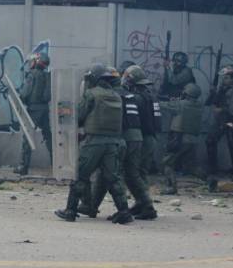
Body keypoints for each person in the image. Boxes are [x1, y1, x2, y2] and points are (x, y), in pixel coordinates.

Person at [54, 64, 133, 224]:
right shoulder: (116, 96)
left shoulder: (91, 94)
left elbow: (80, 116)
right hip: (113, 143)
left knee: (80, 175)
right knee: (113, 178)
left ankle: (70, 210)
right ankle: (124, 211)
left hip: (94, 142)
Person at [80, 66, 157, 220]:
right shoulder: (133, 95)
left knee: (109, 173)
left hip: (122, 137)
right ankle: (144, 205)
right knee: (129, 174)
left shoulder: (112, 94)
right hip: (138, 137)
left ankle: (97, 207)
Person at [159, 83, 204, 195]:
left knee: (167, 162)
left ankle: (171, 187)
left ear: (187, 94)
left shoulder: (180, 104)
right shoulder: (199, 105)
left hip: (179, 138)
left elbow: (163, 105)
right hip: (192, 140)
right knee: (191, 166)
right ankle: (210, 180)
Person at [15, 52, 52, 175]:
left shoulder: (32, 75)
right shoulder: (47, 76)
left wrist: (19, 96)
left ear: (37, 61)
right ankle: (55, 164)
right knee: (49, 137)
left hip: (33, 110)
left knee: (27, 138)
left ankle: (23, 167)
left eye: (33, 61)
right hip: (44, 110)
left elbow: (25, 93)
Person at [128, 65, 162, 192]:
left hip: (141, 138)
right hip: (152, 138)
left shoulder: (136, 98)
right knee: (143, 170)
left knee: (134, 170)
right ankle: (144, 195)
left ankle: (142, 198)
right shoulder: (152, 97)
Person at [205, 66, 233, 189]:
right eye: (223, 78)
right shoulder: (222, 89)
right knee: (210, 140)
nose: (223, 80)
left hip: (231, 120)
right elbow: (209, 103)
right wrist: (213, 92)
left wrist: (222, 110)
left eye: (226, 78)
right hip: (221, 120)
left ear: (232, 79)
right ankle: (212, 170)